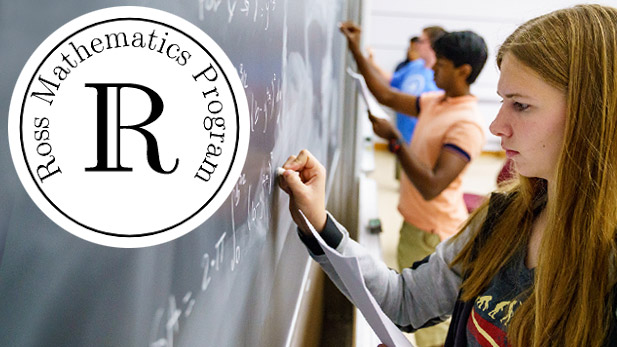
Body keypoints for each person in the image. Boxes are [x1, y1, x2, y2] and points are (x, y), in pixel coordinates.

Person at [279, 4, 617, 346]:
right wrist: (318, 224)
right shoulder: (500, 220)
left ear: (590, 112)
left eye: (521, 105)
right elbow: (405, 301)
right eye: (502, 101)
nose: (496, 126)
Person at [343, 25, 488, 346]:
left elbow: (432, 186)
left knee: (425, 324)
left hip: (431, 232)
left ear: (463, 71)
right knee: (411, 312)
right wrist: (355, 48)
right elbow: (385, 95)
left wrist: (395, 141)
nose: (431, 68)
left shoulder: (467, 123)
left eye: (441, 65)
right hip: (416, 224)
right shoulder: (438, 100)